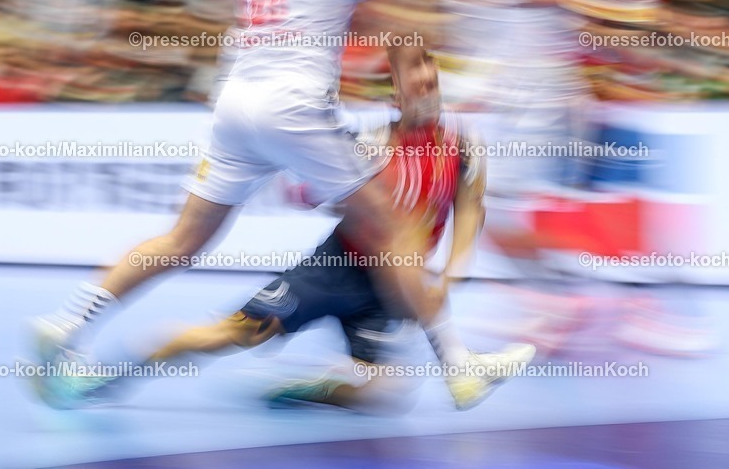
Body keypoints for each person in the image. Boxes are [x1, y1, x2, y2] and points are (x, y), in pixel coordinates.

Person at [30, 0, 467, 404]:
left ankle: (68, 321)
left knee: (181, 240)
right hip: (294, 105)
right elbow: (400, 23)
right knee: (391, 233)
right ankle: (459, 363)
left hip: (236, 103)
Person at [34, 50, 535, 411]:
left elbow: (472, 207)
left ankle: (311, 389)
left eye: (434, 80)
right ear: (395, 94)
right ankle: (108, 377)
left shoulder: (463, 147)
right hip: (336, 269)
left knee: (383, 398)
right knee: (232, 335)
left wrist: (455, 268)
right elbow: (312, 192)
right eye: (418, 81)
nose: (429, 89)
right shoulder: (367, 143)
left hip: (391, 292)